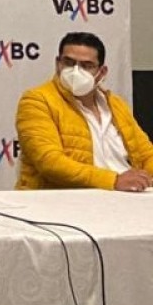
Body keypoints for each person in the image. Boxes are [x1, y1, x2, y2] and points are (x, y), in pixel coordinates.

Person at [16, 31, 153, 192]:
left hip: (126, 194)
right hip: (69, 197)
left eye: (87, 66)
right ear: (57, 63)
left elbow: (146, 154)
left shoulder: (116, 104)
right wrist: (113, 180)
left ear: (102, 72)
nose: (76, 71)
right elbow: (50, 162)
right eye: (68, 62)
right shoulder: (37, 100)